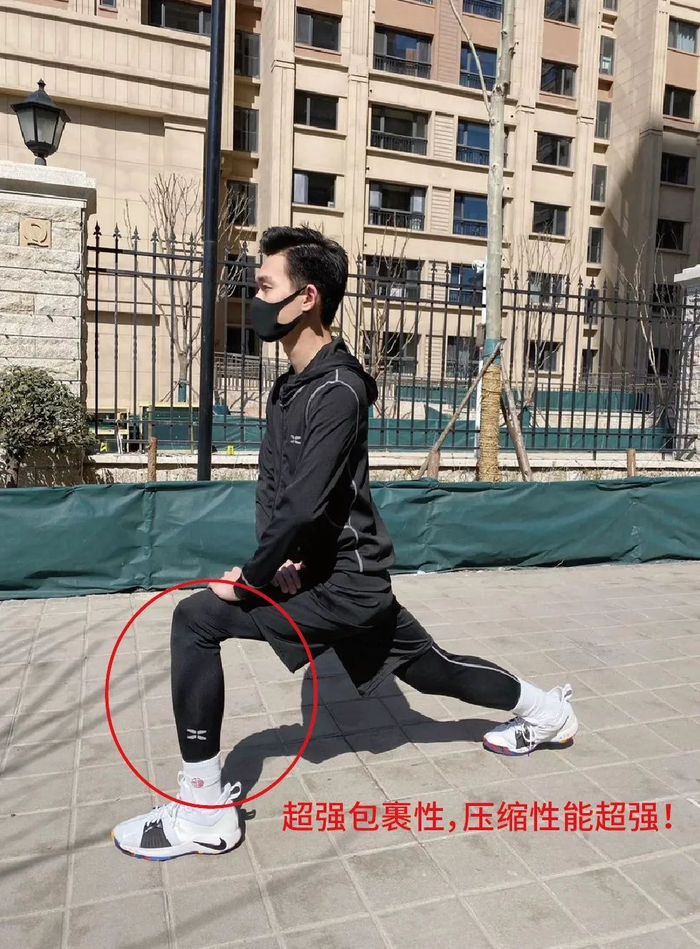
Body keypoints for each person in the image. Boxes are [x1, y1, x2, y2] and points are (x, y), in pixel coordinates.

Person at [112, 226, 578, 861]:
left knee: (197, 619)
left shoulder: (340, 390)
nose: (254, 299)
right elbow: (286, 494)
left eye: (264, 287)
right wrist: (288, 563)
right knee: (432, 671)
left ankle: (203, 812)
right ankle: (548, 711)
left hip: (348, 584)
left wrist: (250, 581)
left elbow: (304, 503)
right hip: (330, 577)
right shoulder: (290, 387)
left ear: (306, 298)